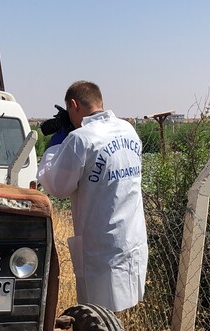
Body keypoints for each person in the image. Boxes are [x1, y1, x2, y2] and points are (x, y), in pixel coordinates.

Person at [37, 81, 147, 312]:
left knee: (97, 317)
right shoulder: (128, 130)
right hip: (131, 238)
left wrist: (57, 145)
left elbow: (57, 186)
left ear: (73, 105)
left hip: (101, 246)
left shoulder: (81, 140)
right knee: (122, 308)